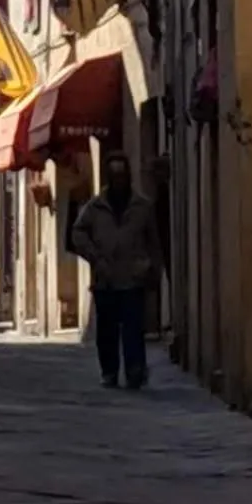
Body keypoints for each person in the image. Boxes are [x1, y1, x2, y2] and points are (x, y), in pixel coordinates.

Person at [71, 150, 162, 391]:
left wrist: (152, 268)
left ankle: (135, 371)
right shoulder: (95, 207)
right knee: (107, 331)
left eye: (122, 174)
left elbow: (154, 241)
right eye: (114, 175)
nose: (119, 179)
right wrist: (94, 256)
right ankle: (109, 371)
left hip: (134, 277)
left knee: (134, 328)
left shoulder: (142, 206)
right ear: (108, 178)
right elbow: (78, 233)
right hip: (106, 278)